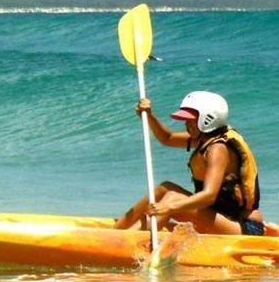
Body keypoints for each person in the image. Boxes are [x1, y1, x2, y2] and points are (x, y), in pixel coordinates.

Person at [113, 91, 265, 235]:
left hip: (243, 226)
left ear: (208, 119)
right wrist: (149, 116)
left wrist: (169, 207)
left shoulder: (218, 148)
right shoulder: (204, 139)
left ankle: (129, 241)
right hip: (220, 216)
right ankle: (116, 232)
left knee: (172, 198)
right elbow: (168, 138)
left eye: (190, 120)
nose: (186, 124)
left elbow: (209, 196)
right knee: (164, 188)